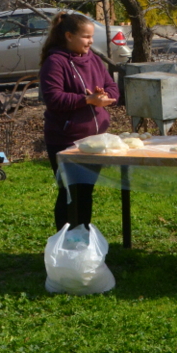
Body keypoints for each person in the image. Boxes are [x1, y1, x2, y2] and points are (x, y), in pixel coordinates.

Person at [40, 12, 119, 230]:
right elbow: (53, 98)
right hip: (66, 140)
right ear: (68, 36)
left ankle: (82, 237)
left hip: (95, 140)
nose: (90, 41)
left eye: (91, 36)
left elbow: (112, 87)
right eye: (85, 37)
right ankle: (66, 242)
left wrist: (104, 98)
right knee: (69, 192)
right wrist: (86, 100)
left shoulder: (93, 58)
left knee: (85, 191)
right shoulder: (55, 62)